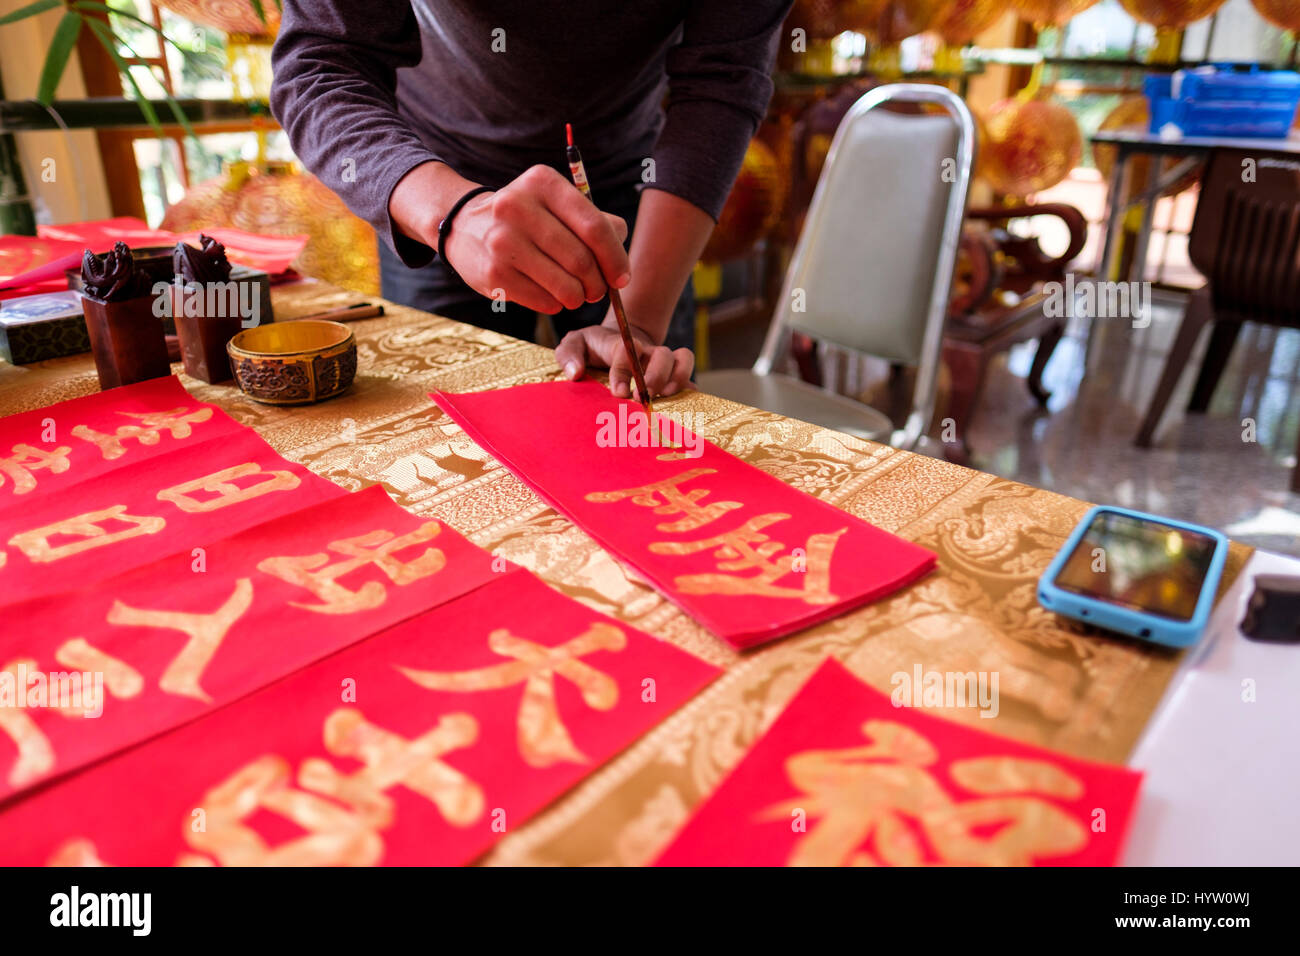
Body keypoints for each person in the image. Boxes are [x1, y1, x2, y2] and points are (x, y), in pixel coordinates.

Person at [271, 1, 790, 399]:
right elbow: (322, 61)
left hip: (636, 188)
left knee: (637, 423)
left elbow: (723, 79)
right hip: (434, 183)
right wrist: (453, 214)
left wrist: (640, 322)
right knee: (450, 448)